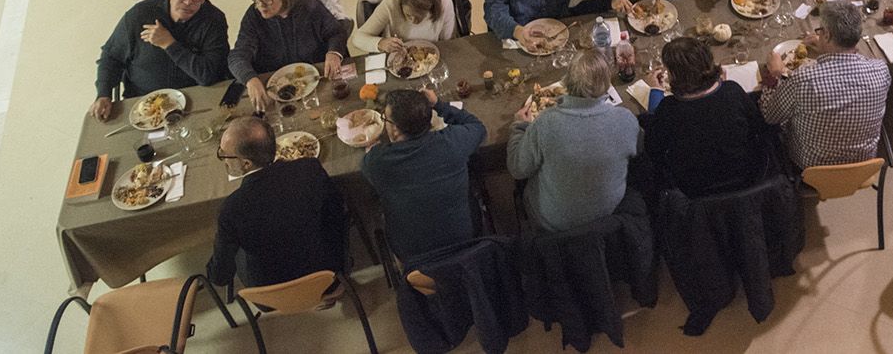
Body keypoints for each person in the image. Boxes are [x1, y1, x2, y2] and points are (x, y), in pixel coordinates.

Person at [508, 50, 641, 232]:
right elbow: (638, 149)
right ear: (606, 85)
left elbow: (517, 168)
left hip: (554, 224)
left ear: (568, 82)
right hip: (607, 215)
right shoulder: (626, 119)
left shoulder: (545, 122)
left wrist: (518, 126)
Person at [207, 116, 347, 288]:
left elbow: (220, 277)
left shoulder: (231, 210)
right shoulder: (309, 168)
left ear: (246, 163)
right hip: (327, 271)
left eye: (224, 154)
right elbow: (337, 210)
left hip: (276, 290)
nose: (223, 159)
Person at [361, 87, 487, 270]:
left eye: (386, 119)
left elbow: (368, 167)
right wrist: (439, 105)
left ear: (395, 129)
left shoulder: (376, 162)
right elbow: (478, 128)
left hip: (413, 255)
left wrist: (374, 151)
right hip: (463, 242)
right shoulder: (452, 142)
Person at [759, 1, 890, 170]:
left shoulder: (803, 80)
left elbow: (769, 116)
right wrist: (826, 46)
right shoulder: (881, 70)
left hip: (811, 169)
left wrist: (775, 76)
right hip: (862, 167)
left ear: (827, 35)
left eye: (820, 31)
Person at [91, 0, 229, 119]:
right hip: (143, 103)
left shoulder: (214, 20)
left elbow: (209, 75)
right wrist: (103, 94)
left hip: (192, 101)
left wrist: (169, 44)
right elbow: (112, 57)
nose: (188, 2)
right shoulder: (140, 15)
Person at [643, 37, 769, 196]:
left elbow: (653, 150)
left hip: (696, 188)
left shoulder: (668, 109)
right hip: (746, 175)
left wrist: (655, 91)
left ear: (675, 76)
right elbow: (758, 126)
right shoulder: (732, 91)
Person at [228, 0, 350, 113]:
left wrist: (333, 53)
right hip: (274, 88)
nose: (260, 5)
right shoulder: (254, 16)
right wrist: (250, 79)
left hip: (314, 83)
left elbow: (336, 32)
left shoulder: (310, 8)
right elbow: (237, 55)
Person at [350, 0, 459, 56]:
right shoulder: (392, 2)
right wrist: (380, 43)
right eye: (408, 15)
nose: (414, 21)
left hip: (431, 56)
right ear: (401, 5)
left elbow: (448, 43)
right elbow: (357, 38)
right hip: (398, 56)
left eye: (420, 17)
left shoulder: (444, 3)